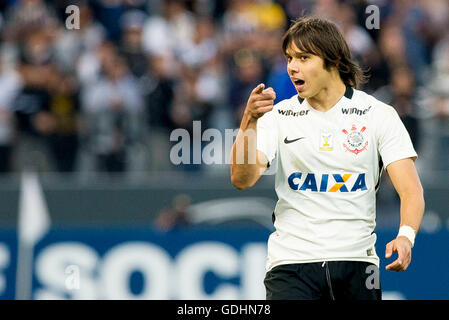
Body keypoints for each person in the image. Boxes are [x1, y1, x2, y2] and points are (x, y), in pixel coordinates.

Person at [230, 16, 425, 300]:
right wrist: (248, 124)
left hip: (357, 264)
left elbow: (411, 190)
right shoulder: (278, 116)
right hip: (291, 266)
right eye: (289, 58)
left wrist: (406, 236)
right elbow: (241, 180)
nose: (292, 67)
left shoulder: (378, 115)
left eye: (304, 57)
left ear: (332, 60)